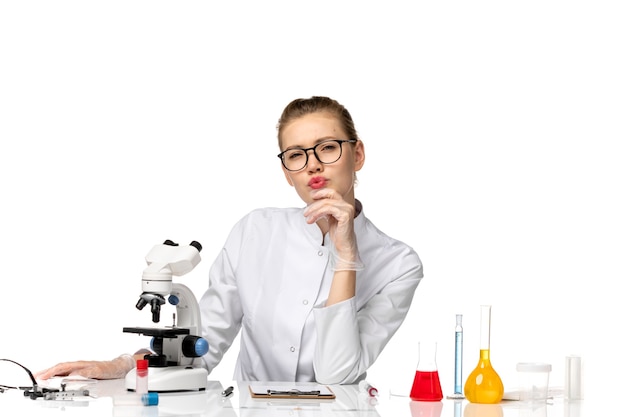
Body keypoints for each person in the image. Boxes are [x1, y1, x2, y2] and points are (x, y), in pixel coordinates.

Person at [36, 96, 423, 384]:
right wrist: (125, 365)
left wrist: (346, 257)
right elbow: (204, 345)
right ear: (287, 173)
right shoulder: (254, 231)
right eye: (296, 155)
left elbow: (337, 375)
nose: (313, 165)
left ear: (357, 154)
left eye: (327, 147)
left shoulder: (399, 264)